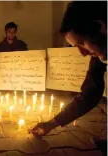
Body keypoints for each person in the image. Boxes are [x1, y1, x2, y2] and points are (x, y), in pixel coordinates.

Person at [29, 1, 107, 154]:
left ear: (100, 27)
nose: (82, 53)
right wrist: (51, 124)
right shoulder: (99, 55)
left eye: (81, 44)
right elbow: (89, 94)